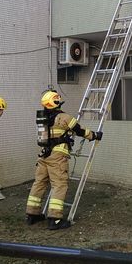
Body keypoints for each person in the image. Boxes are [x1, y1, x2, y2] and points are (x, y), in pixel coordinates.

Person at [25, 90, 103, 230]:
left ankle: (32, 215)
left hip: (43, 155)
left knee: (39, 183)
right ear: (56, 102)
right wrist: (94, 135)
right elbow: (80, 131)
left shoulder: (42, 118)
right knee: (59, 185)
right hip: (57, 156)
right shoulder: (64, 118)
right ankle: (54, 219)